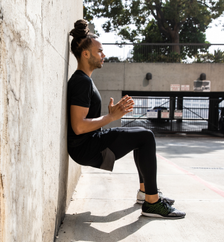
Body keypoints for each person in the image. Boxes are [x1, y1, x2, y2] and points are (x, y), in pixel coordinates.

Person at [67, 19, 185, 219]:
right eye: (99, 52)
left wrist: (109, 115)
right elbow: (78, 126)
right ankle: (152, 202)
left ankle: (145, 193)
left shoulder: (85, 80)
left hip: (90, 142)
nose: (103, 55)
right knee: (146, 137)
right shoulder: (81, 82)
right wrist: (111, 117)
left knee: (142, 135)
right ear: (85, 54)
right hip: (86, 147)